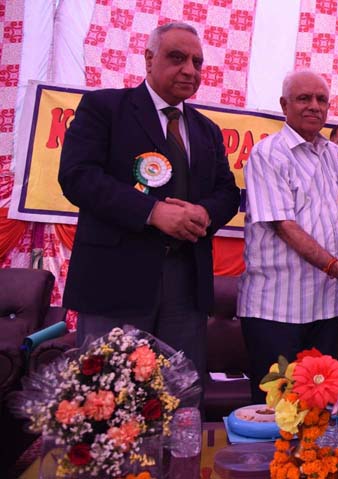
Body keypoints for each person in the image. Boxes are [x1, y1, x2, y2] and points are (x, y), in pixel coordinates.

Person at [58, 22, 240, 381]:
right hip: (114, 282)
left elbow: (228, 193)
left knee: (179, 396)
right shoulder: (105, 107)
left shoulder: (207, 130)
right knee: (108, 397)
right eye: (177, 58)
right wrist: (152, 212)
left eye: (197, 62)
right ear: (149, 59)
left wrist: (205, 212)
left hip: (186, 285)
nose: (189, 70)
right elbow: (78, 176)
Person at [237, 70, 338, 403]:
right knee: (276, 412)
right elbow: (284, 226)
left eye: (321, 100)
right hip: (276, 311)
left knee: (318, 410)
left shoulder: (332, 154)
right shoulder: (268, 154)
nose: (314, 106)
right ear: (284, 105)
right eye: (304, 98)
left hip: (325, 308)